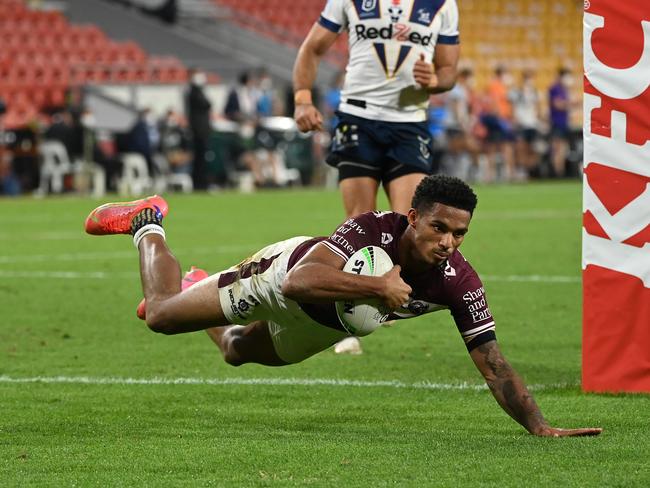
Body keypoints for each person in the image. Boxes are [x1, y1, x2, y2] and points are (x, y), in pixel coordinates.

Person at [84, 175, 602, 438]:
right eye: (439, 228)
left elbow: (494, 365)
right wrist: (379, 289)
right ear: (414, 217)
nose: (448, 242)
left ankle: (200, 283)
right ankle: (146, 220)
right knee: (161, 316)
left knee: (237, 351)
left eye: (459, 233)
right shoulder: (374, 227)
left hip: (320, 330)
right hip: (281, 276)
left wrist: (539, 425)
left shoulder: (458, 281)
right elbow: (302, 282)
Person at [293, 0, 462, 353]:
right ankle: (346, 318)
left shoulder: (442, 4)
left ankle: (381, 306)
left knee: (406, 225)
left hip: (409, 125)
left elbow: (449, 70)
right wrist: (302, 100)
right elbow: (313, 47)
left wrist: (434, 79)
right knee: (358, 223)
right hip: (358, 120)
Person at [185, 68, 212, 190]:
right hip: (198, 130)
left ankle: (201, 182)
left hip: (202, 130)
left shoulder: (197, 91)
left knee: (201, 158)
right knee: (199, 158)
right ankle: (200, 183)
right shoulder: (193, 92)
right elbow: (206, 104)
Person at [548, 67, 573, 178]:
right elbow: (557, 104)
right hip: (557, 121)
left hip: (563, 121)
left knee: (562, 148)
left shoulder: (564, 90)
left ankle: (560, 171)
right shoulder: (555, 88)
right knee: (557, 148)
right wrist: (570, 104)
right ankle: (556, 171)